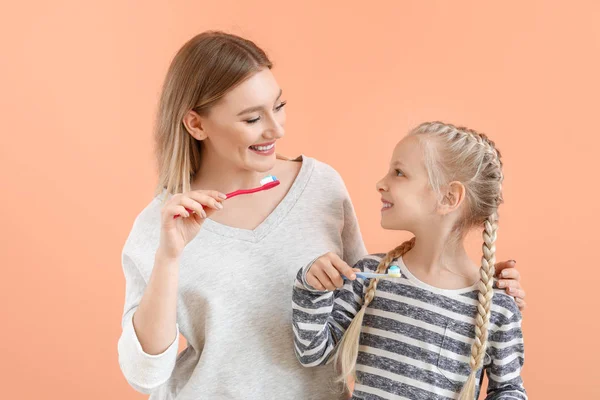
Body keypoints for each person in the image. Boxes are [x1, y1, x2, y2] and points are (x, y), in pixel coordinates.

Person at [117, 31, 525, 400]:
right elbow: (145, 376)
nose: (275, 130)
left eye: (279, 107)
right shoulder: (161, 225)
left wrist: (475, 295)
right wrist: (169, 258)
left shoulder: (321, 187)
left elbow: (374, 314)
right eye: (253, 118)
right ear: (196, 123)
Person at [293, 122, 526, 399]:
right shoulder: (369, 276)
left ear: (449, 197)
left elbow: (508, 390)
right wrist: (312, 288)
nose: (381, 183)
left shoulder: (496, 307)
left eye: (399, 173)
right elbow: (312, 353)